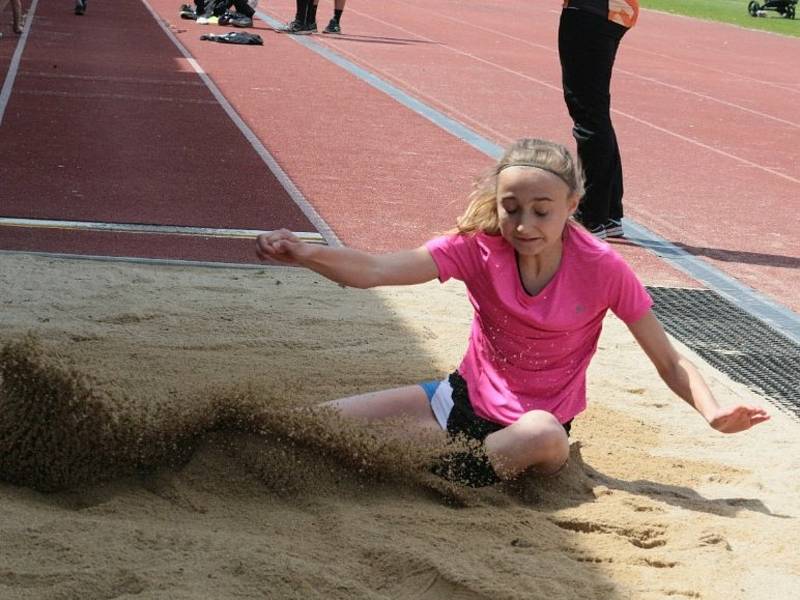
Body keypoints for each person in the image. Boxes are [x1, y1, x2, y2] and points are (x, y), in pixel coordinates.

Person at [255, 138, 769, 487]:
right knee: (302, 429)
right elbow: (373, 270)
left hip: (531, 435)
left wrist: (712, 410)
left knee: (543, 432)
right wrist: (304, 252)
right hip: (456, 402)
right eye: (511, 207)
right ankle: (436, 459)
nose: (524, 224)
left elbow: (669, 362)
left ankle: (424, 474)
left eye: (542, 210)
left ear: (573, 203)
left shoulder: (603, 269)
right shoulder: (477, 248)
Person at [558, 0, 638, 239]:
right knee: (595, 112)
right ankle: (608, 212)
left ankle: (591, 216)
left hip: (591, 10)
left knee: (588, 113)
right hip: (611, 12)